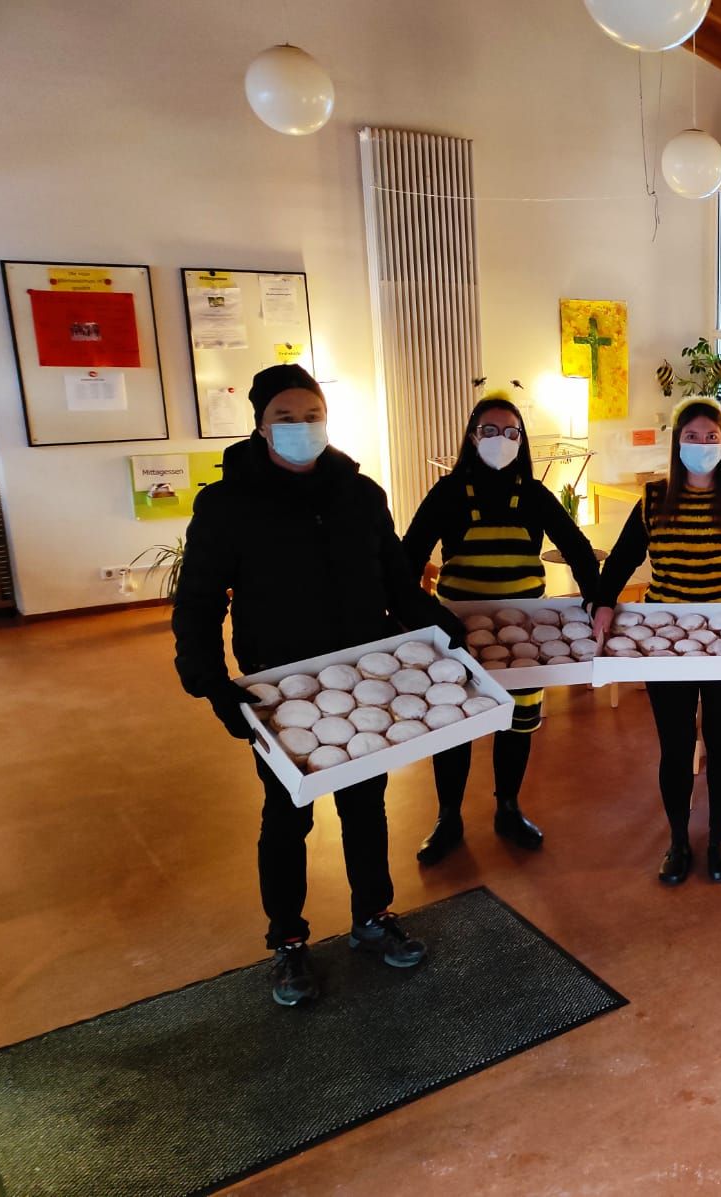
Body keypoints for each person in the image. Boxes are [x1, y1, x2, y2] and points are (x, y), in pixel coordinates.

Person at [172, 364, 467, 1008]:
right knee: (287, 815)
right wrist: (211, 682)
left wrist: (440, 625)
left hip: (364, 675)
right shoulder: (227, 504)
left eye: (312, 415)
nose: (301, 427)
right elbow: (198, 600)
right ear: (259, 425)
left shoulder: (359, 494)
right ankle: (287, 940)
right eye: (285, 417)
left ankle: (372, 918)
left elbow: (395, 581)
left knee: (366, 805)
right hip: (280, 689)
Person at [591, 397, 721, 886]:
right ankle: (679, 840)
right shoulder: (654, 499)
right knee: (676, 743)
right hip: (666, 640)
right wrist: (603, 601)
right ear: (677, 444)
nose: (702, 445)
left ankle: (719, 839)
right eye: (692, 437)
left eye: (711, 437)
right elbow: (622, 558)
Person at [401, 393, 601, 865]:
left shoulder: (534, 494)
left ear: (521, 440)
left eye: (511, 432)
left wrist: (596, 600)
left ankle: (508, 808)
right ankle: (448, 818)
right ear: (472, 437)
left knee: (518, 722)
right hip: (456, 631)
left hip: (524, 636)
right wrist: (416, 613)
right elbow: (408, 555)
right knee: (453, 722)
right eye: (489, 430)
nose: (500, 439)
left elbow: (577, 547)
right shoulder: (448, 492)